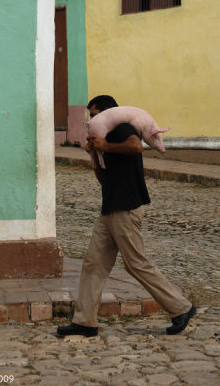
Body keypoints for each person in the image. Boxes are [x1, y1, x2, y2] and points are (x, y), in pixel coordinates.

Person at [57, 95, 196, 337]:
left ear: (107, 111)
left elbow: (135, 146)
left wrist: (105, 146)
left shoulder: (122, 128)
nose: (91, 120)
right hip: (110, 207)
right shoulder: (105, 135)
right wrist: (96, 157)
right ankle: (85, 322)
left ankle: (181, 308)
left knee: (136, 264)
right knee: (93, 264)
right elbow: (103, 180)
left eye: (94, 113)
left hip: (126, 207)